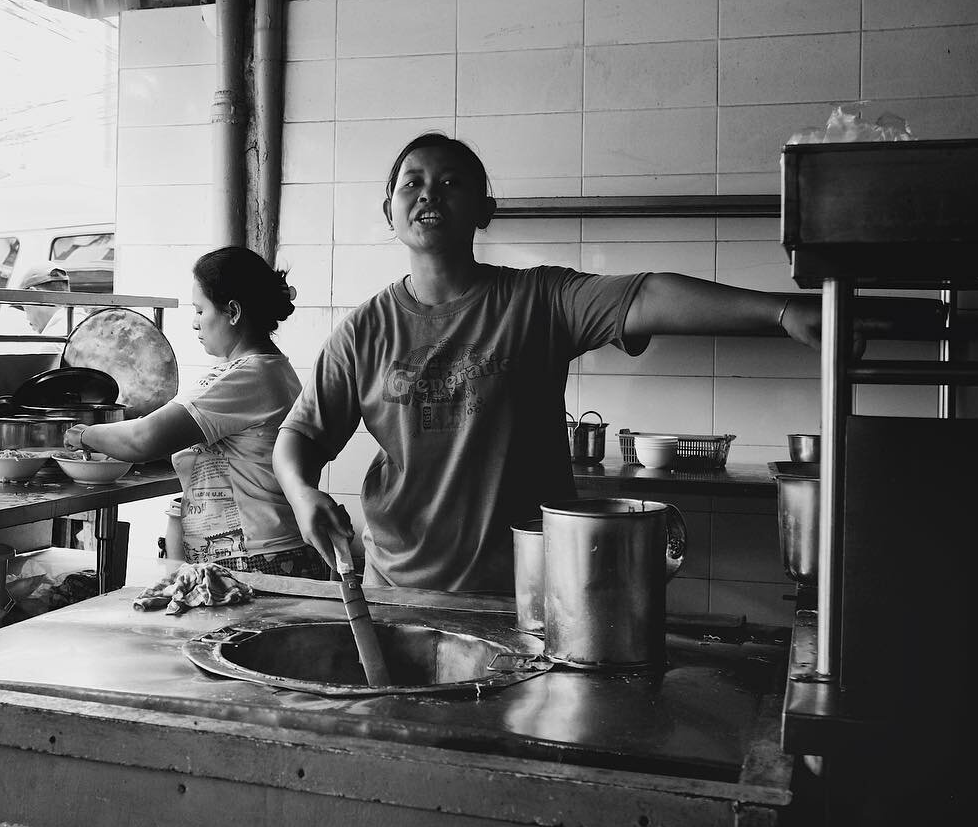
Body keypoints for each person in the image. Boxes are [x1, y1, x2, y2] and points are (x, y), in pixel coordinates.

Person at [273, 131, 823, 597]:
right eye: (411, 183)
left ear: (485, 209)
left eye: (450, 182)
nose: (427, 194)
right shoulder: (363, 331)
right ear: (389, 210)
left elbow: (646, 295)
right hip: (400, 591)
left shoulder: (538, 299)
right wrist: (302, 495)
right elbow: (299, 437)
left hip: (531, 591)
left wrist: (780, 312)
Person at [63, 246, 328, 579]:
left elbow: (143, 439)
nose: (194, 323)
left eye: (200, 310)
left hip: (259, 560)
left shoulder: (247, 376)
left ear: (232, 312)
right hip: (270, 554)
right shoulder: (270, 370)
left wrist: (82, 435)